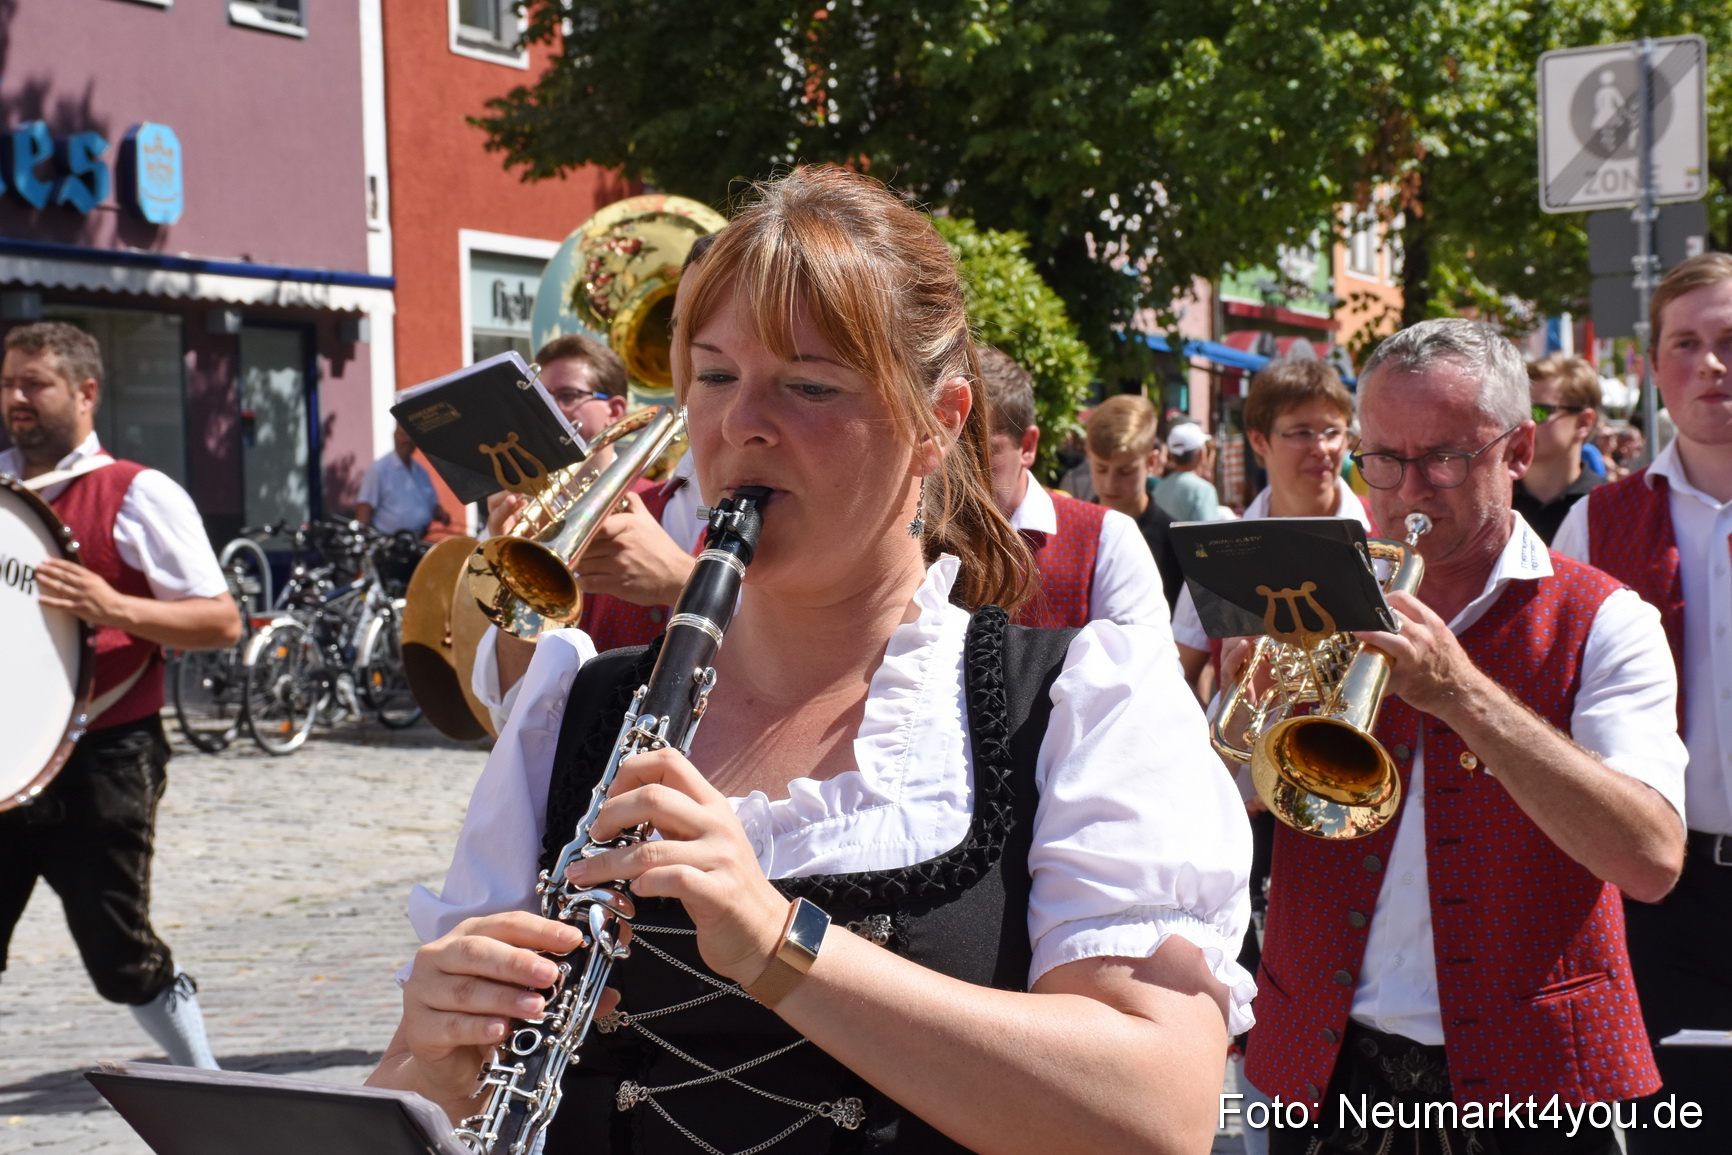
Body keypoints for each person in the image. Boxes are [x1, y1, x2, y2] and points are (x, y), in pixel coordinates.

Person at [368, 165, 1254, 1155]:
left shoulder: (1080, 705)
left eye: (809, 385)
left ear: (940, 421)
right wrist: (426, 1061)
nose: (742, 423)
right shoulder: (576, 713)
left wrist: (779, 946)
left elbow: (1156, 1113)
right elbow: (420, 1103)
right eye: (712, 376)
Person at [1244, 319, 1686, 1154]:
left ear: (1518, 450)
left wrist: (1461, 694)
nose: (1409, 491)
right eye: (1382, 459)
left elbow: (1652, 858)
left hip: (1538, 1087)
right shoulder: (1311, 592)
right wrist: (1249, 717)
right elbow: (1222, 809)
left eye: (1445, 457)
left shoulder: (1607, 621)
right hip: (1324, 1074)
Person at [0, 321, 239, 1069]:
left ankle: (206, 1081)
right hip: (4, 753)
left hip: (106, 750)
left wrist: (115, 608)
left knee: (117, 950)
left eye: (33, 383)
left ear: (86, 391)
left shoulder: (138, 492)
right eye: (7, 382)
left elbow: (221, 620)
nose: (14, 398)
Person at [1553, 252, 1732, 1155]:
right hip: (1667, 893)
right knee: (1679, 1134)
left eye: (1729, 341)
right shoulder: (1597, 522)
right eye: (1687, 344)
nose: (1712, 364)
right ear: (1654, 368)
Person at [477, 334, 702, 728]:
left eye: (566, 396)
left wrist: (678, 580)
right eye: (540, 402)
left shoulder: (674, 508)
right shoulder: (525, 517)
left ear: (615, 410)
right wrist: (519, 581)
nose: (549, 414)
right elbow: (507, 713)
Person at [1172, 358, 1370, 698]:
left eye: (1333, 432)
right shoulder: (1217, 551)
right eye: (1302, 433)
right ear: (1259, 441)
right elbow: (1178, 678)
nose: (1322, 448)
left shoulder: (1384, 537)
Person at [979, 348, 1169, 628]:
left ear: (1028, 447)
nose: (1109, 484)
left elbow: (1151, 663)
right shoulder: (917, 533)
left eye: (981, 450)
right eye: (1100, 469)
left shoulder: (1108, 537)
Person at [1083, 393, 1184, 611]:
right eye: (1101, 469)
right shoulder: (1070, 532)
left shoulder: (1177, 546)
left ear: (1152, 462)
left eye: (1125, 471)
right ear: (1088, 455)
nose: (1110, 484)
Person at [1512, 353, 1603, 544]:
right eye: (1516, 411)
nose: (1523, 423)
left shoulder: (1606, 504)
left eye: (1538, 412)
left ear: (1583, 423)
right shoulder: (1493, 501)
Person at [356, 423, 450, 536]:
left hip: (419, 540)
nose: (407, 440)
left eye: (411, 436)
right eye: (403, 434)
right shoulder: (378, 470)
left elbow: (431, 503)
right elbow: (364, 512)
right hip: (391, 545)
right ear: (394, 436)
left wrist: (442, 514)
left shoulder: (421, 471)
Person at [1154, 422, 1229, 522]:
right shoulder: (1203, 490)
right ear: (1203, 453)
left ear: (1171, 455)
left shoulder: (1159, 488)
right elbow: (1210, 534)